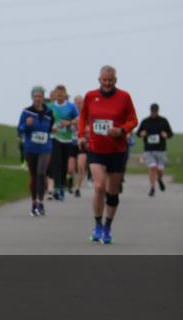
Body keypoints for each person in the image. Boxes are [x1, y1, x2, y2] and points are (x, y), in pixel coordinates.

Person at [77, 65, 138, 245]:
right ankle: (97, 225)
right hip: (96, 148)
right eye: (104, 80)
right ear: (99, 80)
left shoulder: (124, 97)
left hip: (117, 150)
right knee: (99, 186)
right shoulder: (90, 96)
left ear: (115, 80)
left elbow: (134, 119)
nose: (107, 83)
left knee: (112, 191)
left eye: (110, 80)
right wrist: (81, 135)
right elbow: (82, 117)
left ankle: (107, 226)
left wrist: (121, 130)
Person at [18, 86, 54, 216]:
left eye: (40, 96)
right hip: (31, 148)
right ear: (32, 98)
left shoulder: (49, 113)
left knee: (41, 173)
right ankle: (33, 201)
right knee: (33, 175)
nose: (38, 99)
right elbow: (20, 130)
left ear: (43, 97)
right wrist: (26, 125)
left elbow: (51, 128)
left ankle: (40, 202)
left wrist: (53, 130)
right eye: (35, 96)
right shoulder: (27, 112)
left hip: (45, 148)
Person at [47, 85, 79, 200]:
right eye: (57, 93)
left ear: (65, 94)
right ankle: (57, 188)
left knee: (64, 165)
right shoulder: (49, 106)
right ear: (54, 94)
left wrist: (69, 122)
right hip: (54, 137)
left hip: (68, 138)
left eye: (62, 93)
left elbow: (79, 119)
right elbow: (44, 119)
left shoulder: (71, 107)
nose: (59, 95)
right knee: (56, 162)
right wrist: (50, 127)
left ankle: (61, 187)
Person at [137, 103, 174, 196]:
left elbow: (171, 134)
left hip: (161, 149)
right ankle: (152, 188)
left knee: (160, 169)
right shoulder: (145, 121)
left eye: (155, 111)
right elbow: (138, 133)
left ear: (158, 111)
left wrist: (166, 135)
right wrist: (142, 133)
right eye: (153, 111)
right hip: (149, 149)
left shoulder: (163, 121)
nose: (154, 113)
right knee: (152, 168)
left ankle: (159, 179)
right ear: (150, 111)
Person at [72, 94, 88, 197]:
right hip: (71, 142)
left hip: (82, 143)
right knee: (71, 168)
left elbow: (90, 128)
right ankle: (71, 182)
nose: (79, 104)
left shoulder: (88, 114)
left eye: (81, 102)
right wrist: (72, 123)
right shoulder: (70, 113)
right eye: (77, 102)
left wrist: (83, 128)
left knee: (81, 166)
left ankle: (78, 187)